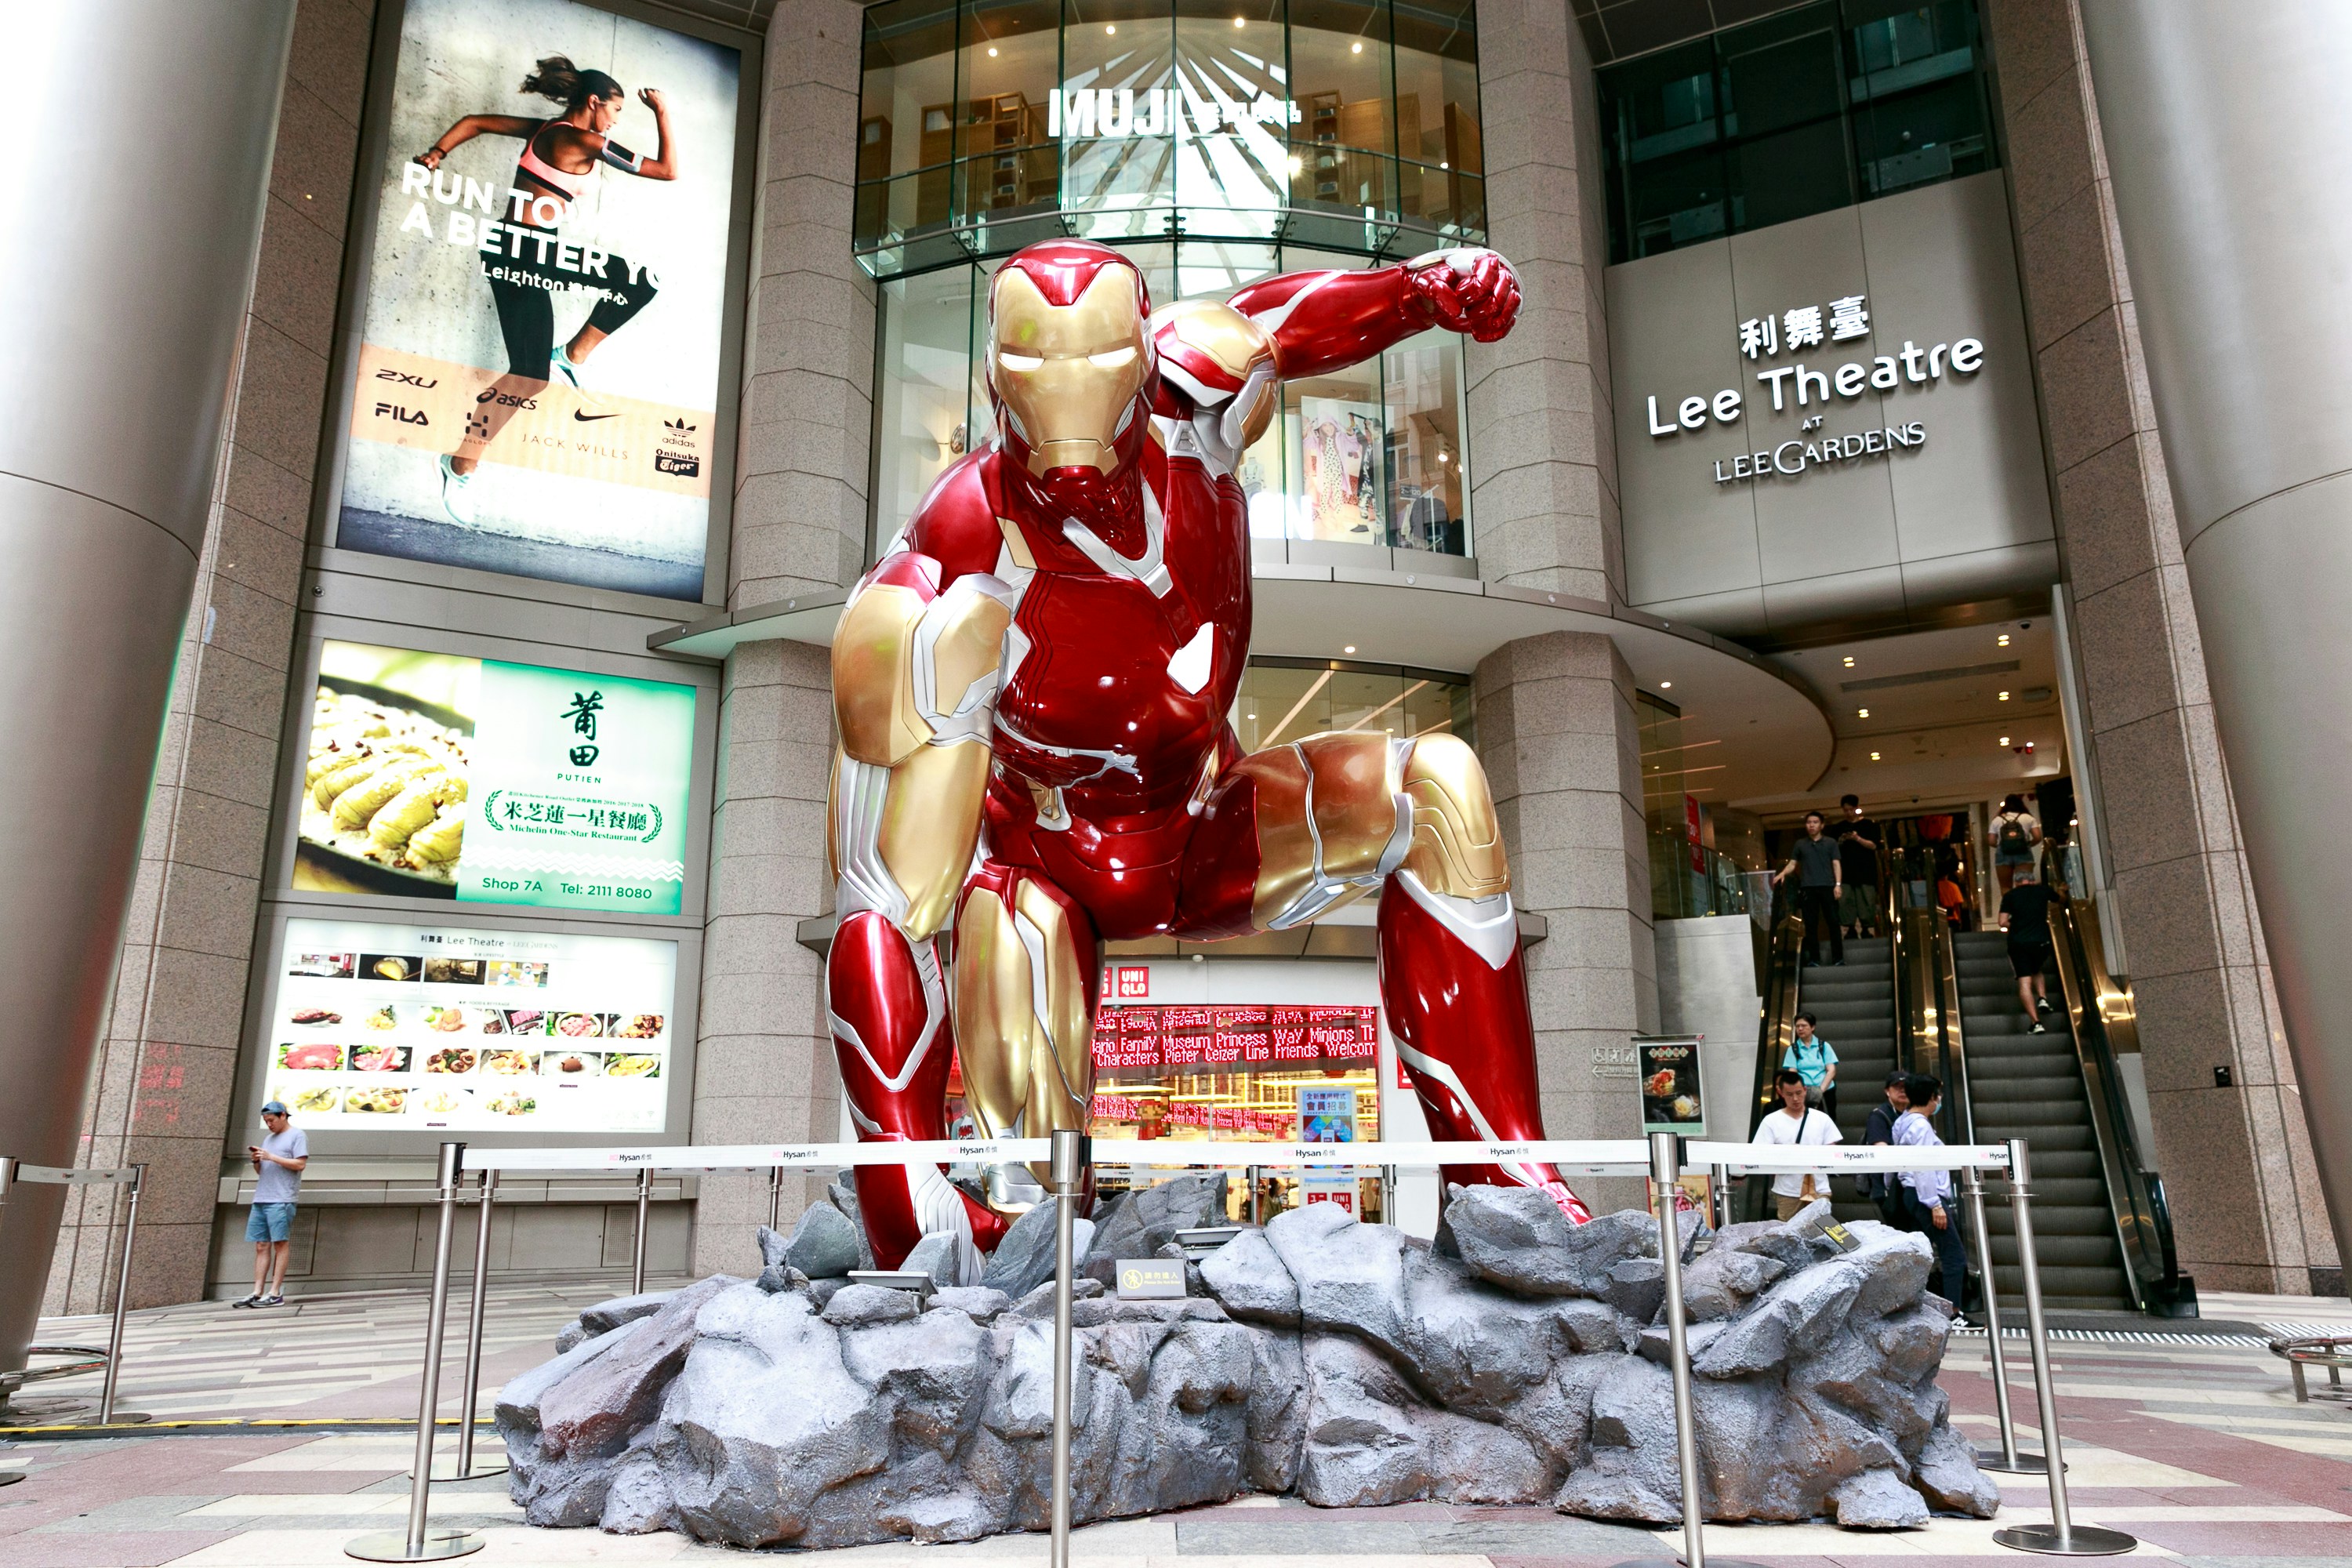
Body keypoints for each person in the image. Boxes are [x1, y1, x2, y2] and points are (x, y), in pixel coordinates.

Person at [414, 56, 679, 524]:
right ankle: (464, 461)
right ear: (595, 104)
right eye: (616, 111)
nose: (616, 121)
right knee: (533, 373)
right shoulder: (584, 139)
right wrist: (662, 112)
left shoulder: (545, 130)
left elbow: (476, 122)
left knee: (534, 372)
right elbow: (666, 170)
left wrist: (439, 152)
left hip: (531, 251)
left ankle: (564, 363)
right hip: (523, 251)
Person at [1892, 1074, 1968, 1316]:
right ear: (1931, 1097)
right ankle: (1953, 1312)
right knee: (1954, 1255)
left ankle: (1916, 1309)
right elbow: (1923, 1167)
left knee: (1920, 1255)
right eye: (1938, 1095)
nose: (1939, 1100)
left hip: (1911, 1195)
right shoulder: (1921, 1126)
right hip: (1927, 1197)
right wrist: (1935, 1204)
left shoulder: (1902, 1122)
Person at [236, 1101, 308, 1308]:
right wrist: (257, 1160)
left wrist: (271, 1156)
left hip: (282, 1198)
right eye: (266, 1121)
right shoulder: (268, 1139)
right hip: (262, 1197)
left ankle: (275, 1292)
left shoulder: (297, 1135)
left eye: (271, 1120)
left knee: (280, 1243)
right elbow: (262, 1172)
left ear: (283, 1116)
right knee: (261, 1245)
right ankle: (257, 1292)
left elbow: (300, 1164)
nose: (269, 1125)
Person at [1751, 1069, 1842, 1221]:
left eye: (1799, 1093)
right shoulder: (1771, 1121)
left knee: (1822, 1231)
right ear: (1781, 1093)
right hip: (1787, 1189)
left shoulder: (1822, 1119)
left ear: (1805, 1090)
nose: (1795, 1098)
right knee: (1788, 1232)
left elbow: (1832, 1151)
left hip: (1819, 1187)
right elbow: (1759, 1153)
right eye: (1789, 1094)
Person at [1775, 810, 1844, 966]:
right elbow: (1793, 863)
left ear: (1822, 825)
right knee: (1811, 925)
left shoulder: (1831, 842)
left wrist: (1838, 885)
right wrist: (1782, 874)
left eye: (1815, 822)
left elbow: (1836, 864)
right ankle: (1814, 959)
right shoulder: (1800, 844)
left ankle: (1838, 958)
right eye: (1809, 823)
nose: (1811, 825)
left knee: (1833, 922)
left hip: (1828, 886)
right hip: (1808, 888)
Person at [1999, 866, 2061, 1032]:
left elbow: (2002, 922)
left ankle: (2036, 1023)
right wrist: (2063, 889)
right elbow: (2060, 899)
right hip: (2041, 942)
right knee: (2036, 968)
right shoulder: (2043, 891)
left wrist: (2018, 925)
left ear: (2016, 882)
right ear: (2032, 880)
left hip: (2018, 943)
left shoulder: (2010, 896)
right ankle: (2042, 998)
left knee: (2024, 982)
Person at [1860, 1070, 1909, 1222]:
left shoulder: (1912, 1115)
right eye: (1897, 1086)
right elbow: (1881, 1152)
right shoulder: (1879, 1116)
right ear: (1887, 1091)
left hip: (1907, 1184)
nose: (1902, 1090)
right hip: (1887, 1188)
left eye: (1906, 1086)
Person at [1831, 793, 1882, 938]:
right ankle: (1850, 928)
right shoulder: (1839, 827)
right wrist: (1841, 840)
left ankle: (1867, 928)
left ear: (1856, 808)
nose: (1848, 813)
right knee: (1846, 900)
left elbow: (1873, 845)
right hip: (1845, 871)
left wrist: (1857, 838)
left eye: (1850, 809)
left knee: (1866, 898)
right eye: (1845, 810)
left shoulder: (1869, 825)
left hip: (1865, 870)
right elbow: (1833, 849)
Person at [1783, 1011, 1840, 1120]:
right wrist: (1800, 1090)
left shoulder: (1824, 1046)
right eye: (1798, 1026)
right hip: (1803, 1091)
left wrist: (1820, 1091)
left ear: (1812, 1027)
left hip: (1825, 1090)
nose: (1800, 1029)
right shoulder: (1793, 1049)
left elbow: (1831, 1070)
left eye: (1804, 1026)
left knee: (1828, 1119)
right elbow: (1792, 1072)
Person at [1989, 793, 2042, 894]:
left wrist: (2000, 846)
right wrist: (2029, 844)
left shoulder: (1997, 820)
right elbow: (2038, 837)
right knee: (2024, 886)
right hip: (2023, 851)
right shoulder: (2028, 818)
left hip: (2003, 853)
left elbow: (1991, 841)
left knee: (2005, 887)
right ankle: (2024, 908)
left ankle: (2009, 908)